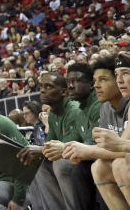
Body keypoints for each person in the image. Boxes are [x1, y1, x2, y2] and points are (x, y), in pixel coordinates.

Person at [63, 55, 130, 210]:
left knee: (120, 164)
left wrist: (88, 150)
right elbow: (120, 148)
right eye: (118, 74)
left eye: (103, 79)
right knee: (98, 167)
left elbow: (122, 150)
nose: (96, 85)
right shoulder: (105, 107)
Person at [19, 72, 92, 210]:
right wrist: (37, 151)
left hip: (85, 160)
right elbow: (50, 145)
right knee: (34, 161)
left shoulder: (74, 110)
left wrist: (39, 149)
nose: (42, 90)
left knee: (60, 163)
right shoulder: (52, 114)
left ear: (63, 91)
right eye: (41, 86)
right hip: (70, 158)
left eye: (48, 86)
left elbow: (69, 147)